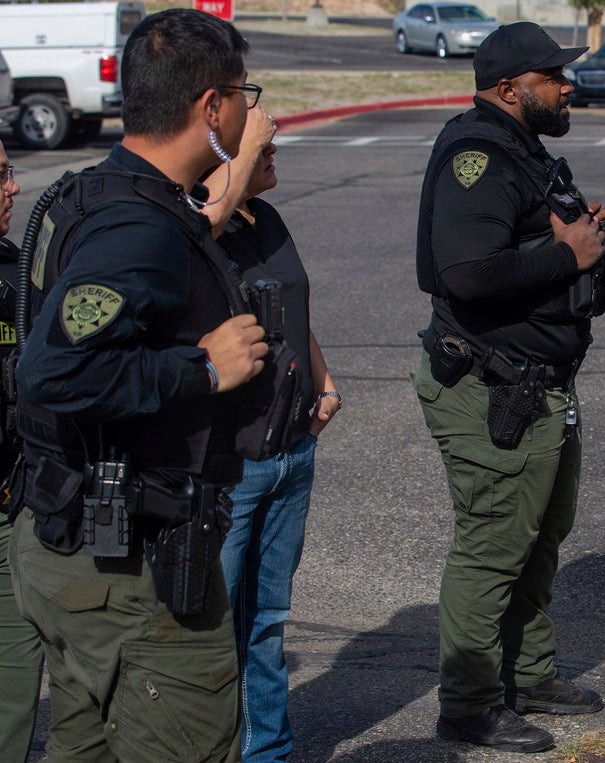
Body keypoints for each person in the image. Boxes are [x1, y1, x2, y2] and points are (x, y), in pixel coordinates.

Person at [8, 9, 271, 759]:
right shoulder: (137, 227)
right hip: (126, 567)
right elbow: (52, 371)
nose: (249, 113)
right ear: (210, 107)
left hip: (73, 540)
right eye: (242, 96)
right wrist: (204, 367)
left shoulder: (94, 193)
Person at [412, 21, 605, 754]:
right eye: (552, 76)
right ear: (509, 88)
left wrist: (584, 236)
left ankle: (528, 674)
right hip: (491, 385)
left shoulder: (526, 153)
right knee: (493, 544)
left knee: (540, 535)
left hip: (542, 386)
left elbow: (533, 242)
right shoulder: (477, 156)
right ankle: (469, 703)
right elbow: (463, 272)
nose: (567, 87)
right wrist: (565, 254)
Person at [207, 128, 342, 762]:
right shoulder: (193, 229)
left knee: (265, 621)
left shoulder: (269, 217)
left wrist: (323, 381)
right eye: (261, 142)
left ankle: (267, 751)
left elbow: (293, 306)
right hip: (231, 464)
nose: (273, 148)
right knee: (211, 627)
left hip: (292, 448)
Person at [0, 139, 43, 763]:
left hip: (13, 505)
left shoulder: (17, 271)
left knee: (13, 688)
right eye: (2, 176)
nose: (13, 188)